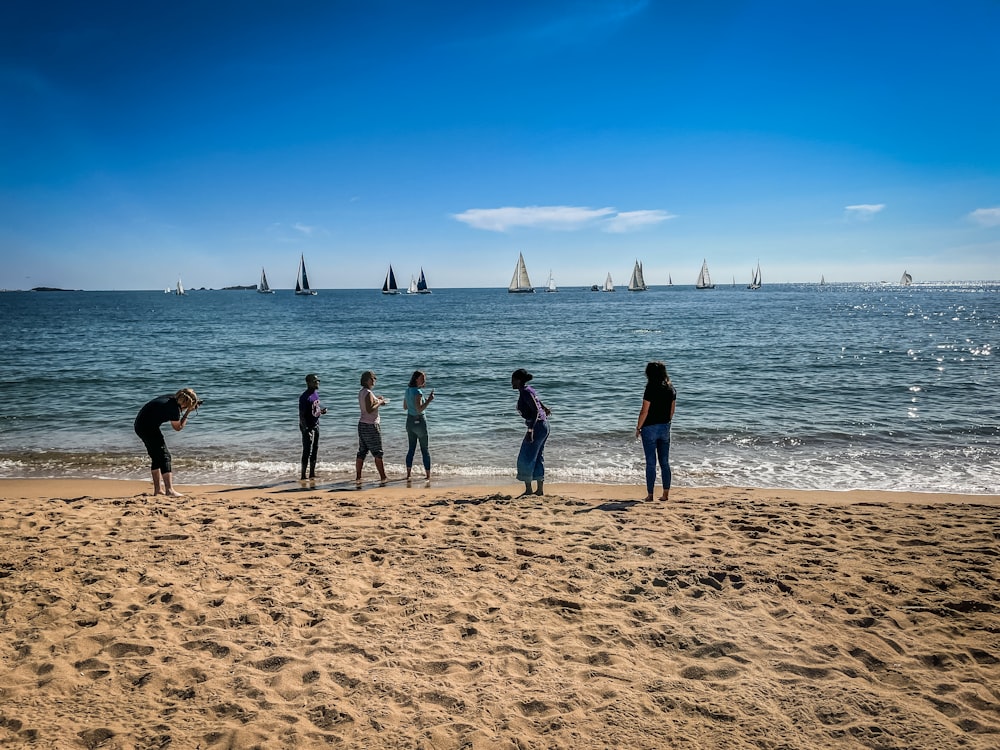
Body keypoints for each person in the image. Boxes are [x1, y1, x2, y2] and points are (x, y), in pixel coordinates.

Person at [133, 388, 201, 497]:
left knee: (156, 457)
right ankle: (169, 490)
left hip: (140, 425)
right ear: (185, 404)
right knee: (165, 456)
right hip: (147, 427)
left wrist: (187, 407)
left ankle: (158, 490)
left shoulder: (171, 398)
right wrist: (188, 412)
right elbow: (178, 427)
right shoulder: (174, 409)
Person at [635, 361, 677, 502]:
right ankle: (665, 495)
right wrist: (666, 422)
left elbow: (644, 411)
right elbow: (672, 412)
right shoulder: (671, 389)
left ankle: (650, 495)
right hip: (665, 427)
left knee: (651, 462)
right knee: (664, 462)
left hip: (649, 428)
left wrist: (638, 427)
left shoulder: (650, 389)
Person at [511, 368, 551, 497]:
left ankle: (529, 490)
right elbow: (537, 403)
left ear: (518, 380)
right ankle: (539, 490)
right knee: (538, 456)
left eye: (513, 380)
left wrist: (530, 430)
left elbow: (534, 411)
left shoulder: (525, 392)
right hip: (543, 425)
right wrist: (545, 409)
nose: (511, 382)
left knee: (525, 457)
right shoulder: (529, 390)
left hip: (537, 427)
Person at [356, 370, 388, 483]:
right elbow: (370, 409)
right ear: (368, 380)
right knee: (378, 453)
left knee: (362, 451)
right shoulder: (368, 393)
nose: (374, 380)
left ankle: (358, 476)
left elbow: (368, 405)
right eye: (373, 378)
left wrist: (377, 400)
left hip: (362, 424)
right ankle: (383, 477)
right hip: (371, 424)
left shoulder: (362, 392)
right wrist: (380, 402)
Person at [403, 370, 435, 481]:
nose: (424, 380)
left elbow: (405, 407)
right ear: (416, 379)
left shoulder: (407, 391)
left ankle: (408, 474)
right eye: (422, 378)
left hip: (409, 422)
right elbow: (419, 409)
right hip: (420, 422)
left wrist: (423, 401)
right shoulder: (418, 392)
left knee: (411, 448)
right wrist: (429, 400)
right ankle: (428, 475)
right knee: (424, 450)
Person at [298, 373, 327, 480]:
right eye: (315, 381)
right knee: (307, 451)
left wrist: (321, 411)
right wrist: (305, 429)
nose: (317, 382)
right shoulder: (304, 397)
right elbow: (301, 415)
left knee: (315, 449)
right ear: (308, 383)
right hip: (307, 427)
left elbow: (315, 409)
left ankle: (312, 473)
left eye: (318, 381)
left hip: (316, 425)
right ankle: (303, 475)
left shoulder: (315, 394)